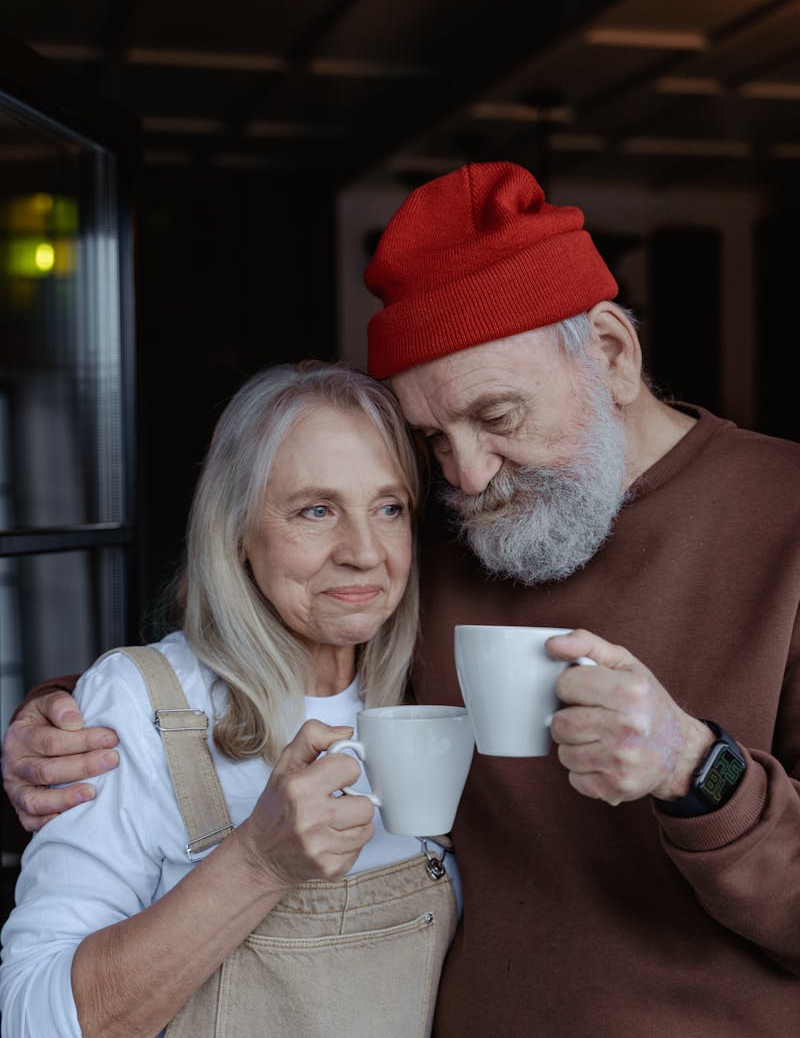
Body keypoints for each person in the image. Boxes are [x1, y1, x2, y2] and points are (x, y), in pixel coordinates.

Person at [5, 160, 800, 1036]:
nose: (468, 475)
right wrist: (77, 718)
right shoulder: (458, 523)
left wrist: (699, 768)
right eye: (432, 442)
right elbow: (296, 611)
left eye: (496, 417)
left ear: (610, 354)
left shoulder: (784, 519)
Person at [0, 360, 459, 1038]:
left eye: (389, 508)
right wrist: (257, 863)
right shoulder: (137, 707)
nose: (365, 552)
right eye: (317, 510)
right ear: (237, 530)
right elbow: (33, 1019)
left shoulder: (437, 691)